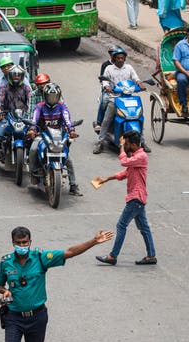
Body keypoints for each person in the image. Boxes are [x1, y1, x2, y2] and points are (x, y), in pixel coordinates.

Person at [94, 130, 157, 266]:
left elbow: (124, 162)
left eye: (127, 143)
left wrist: (121, 147)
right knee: (144, 228)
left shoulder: (141, 157)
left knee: (121, 225)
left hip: (135, 198)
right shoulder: (136, 157)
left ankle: (112, 256)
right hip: (138, 198)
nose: (125, 146)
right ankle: (151, 255)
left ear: (133, 145)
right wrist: (106, 179)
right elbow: (125, 173)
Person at [27, 83, 82, 196]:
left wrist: (71, 130)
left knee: (69, 160)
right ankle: (34, 174)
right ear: (45, 96)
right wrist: (32, 129)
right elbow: (34, 119)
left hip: (59, 136)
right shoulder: (40, 106)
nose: (52, 99)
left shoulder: (62, 106)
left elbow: (67, 119)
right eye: (50, 97)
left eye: (55, 97)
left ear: (59, 96)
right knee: (33, 150)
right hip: (42, 134)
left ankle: (73, 185)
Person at [94, 48, 148, 154]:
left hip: (128, 98)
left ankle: (142, 141)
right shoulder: (109, 69)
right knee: (107, 119)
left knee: (139, 117)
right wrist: (107, 87)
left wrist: (139, 83)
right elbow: (104, 81)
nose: (120, 60)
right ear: (114, 58)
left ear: (125, 59)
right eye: (118, 58)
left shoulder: (129, 68)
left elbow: (135, 78)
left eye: (122, 58)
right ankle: (100, 142)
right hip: (114, 98)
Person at [0, 65, 32, 178]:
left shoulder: (26, 88)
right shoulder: (4, 87)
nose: (16, 77)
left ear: (22, 76)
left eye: (18, 75)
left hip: (23, 118)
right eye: (14, 75)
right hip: (7, 117)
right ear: (9, 76)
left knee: (34, 137)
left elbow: (32, 101)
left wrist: (32, 113)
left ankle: (35, 168)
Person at [94, 45, 120, 133]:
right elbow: (102, 79)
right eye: (114, 54)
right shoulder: (106, 65)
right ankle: (99, 123)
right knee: (104, 101)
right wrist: (107, 86)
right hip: (108, 90)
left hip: (122, 90)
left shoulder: (125, 67)